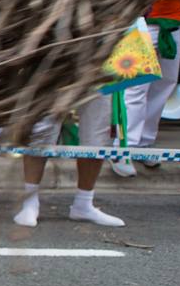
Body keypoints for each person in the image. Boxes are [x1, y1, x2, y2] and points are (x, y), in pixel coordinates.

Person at [14, 95, 125, 229]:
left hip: (103, 76)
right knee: (41, 132)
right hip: (55, 75)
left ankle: (83, 204)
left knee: (97, 138)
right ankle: (30, 203)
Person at [131, 0, 180, 167]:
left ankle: (145, 143)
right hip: (144, 21)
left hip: (176, 23)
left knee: (165, 84)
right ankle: (126, 145)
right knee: (136, 86)